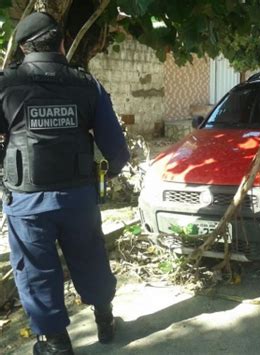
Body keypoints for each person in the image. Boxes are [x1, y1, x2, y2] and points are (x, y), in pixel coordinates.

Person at [0, 12, 130, 355]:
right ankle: (105, 319)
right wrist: (109, 171)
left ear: (24, 47)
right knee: (90, 259)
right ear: (61, 43)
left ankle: (56, 344)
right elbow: (116, 149)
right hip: (78, 198)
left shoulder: (6, 84)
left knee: (36, 272)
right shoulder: (88, 84)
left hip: (27, 202)